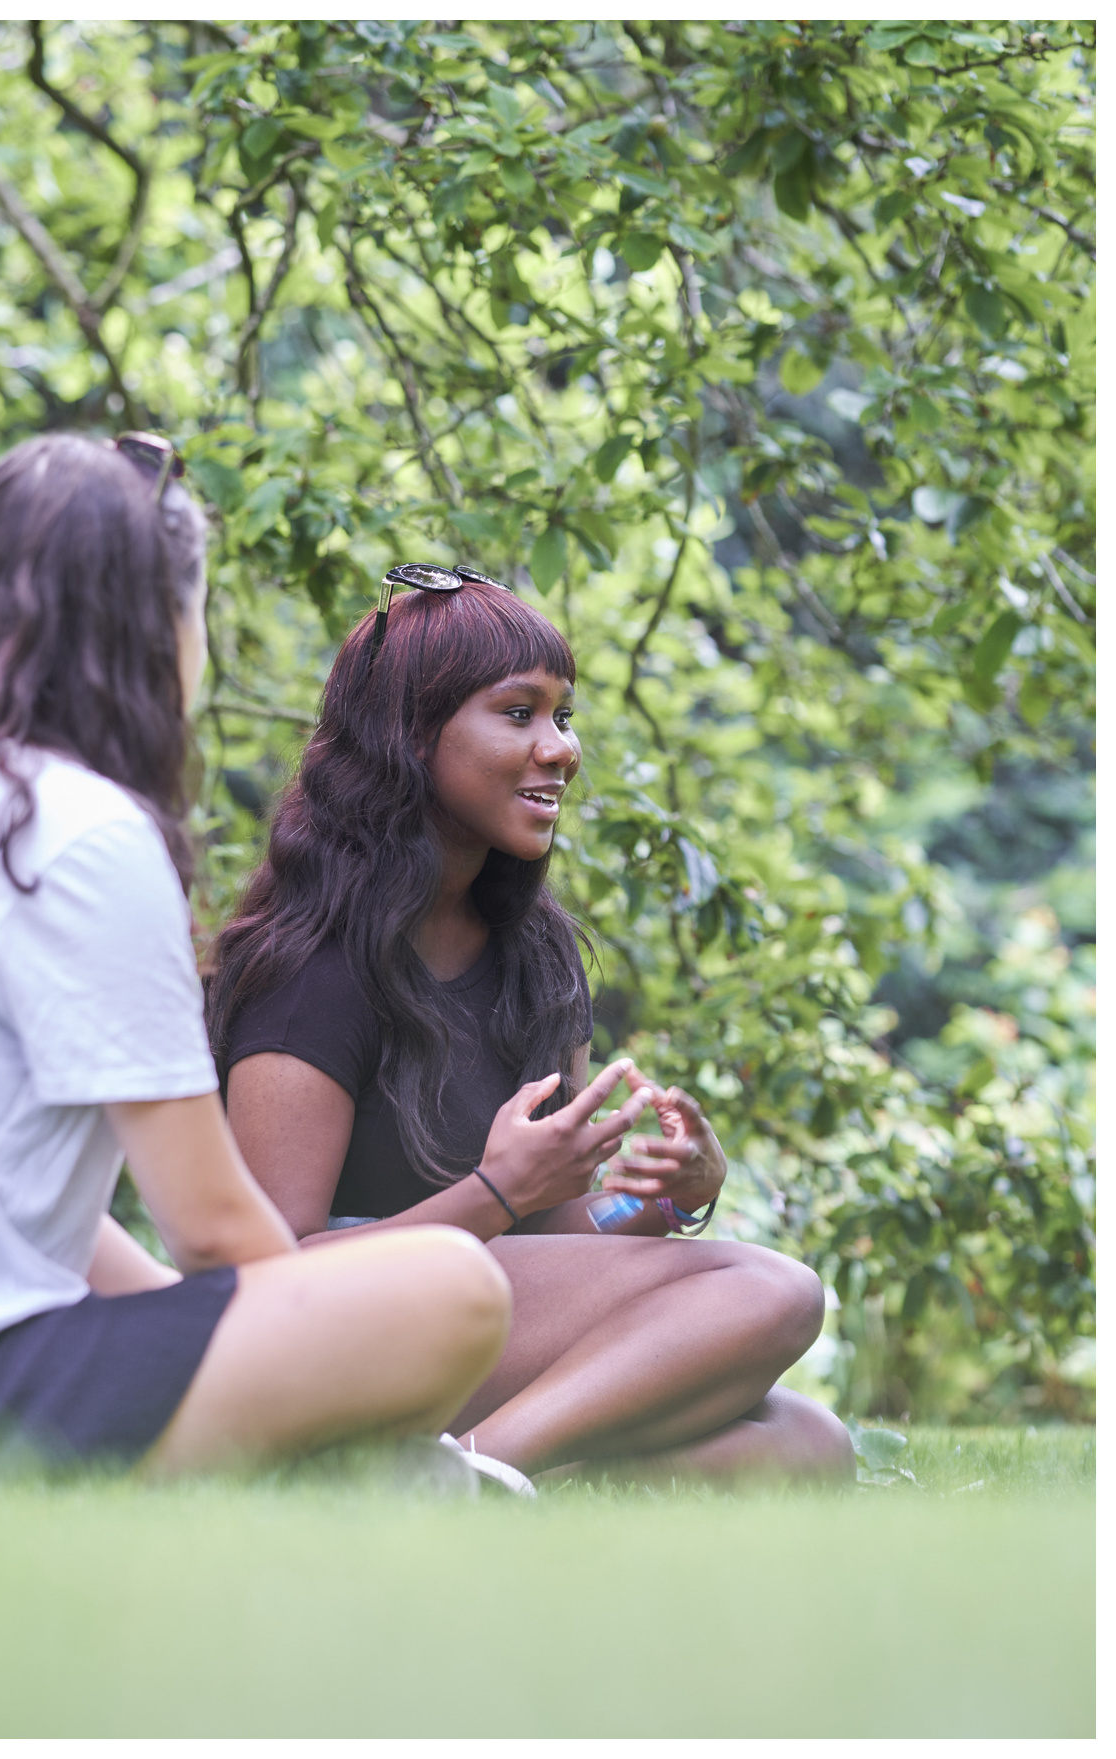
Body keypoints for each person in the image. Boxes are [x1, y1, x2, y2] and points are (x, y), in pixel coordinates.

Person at [212, 565, 855, 1486]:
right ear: (409, 737)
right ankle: (473, 1475)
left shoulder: (537, 956)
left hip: (472, 1326)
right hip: (327, 1344)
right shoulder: (312, 968)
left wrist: (666, 1202)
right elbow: (269, 1277)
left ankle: (443, 1480)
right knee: (774, 1289)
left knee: (803, 1443)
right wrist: (494, 1192)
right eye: (519, 714)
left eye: (563, 715)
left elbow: (557, 1229)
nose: (560, 748)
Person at [0, 438, 518, 1477]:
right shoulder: (77, 833)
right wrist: (315, 1364)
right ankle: (351, 1475)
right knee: (451, 1288)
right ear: (158, 621)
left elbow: (33, 1223)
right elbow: (215, 1230)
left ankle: (351, 1473)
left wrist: (204, 1339)